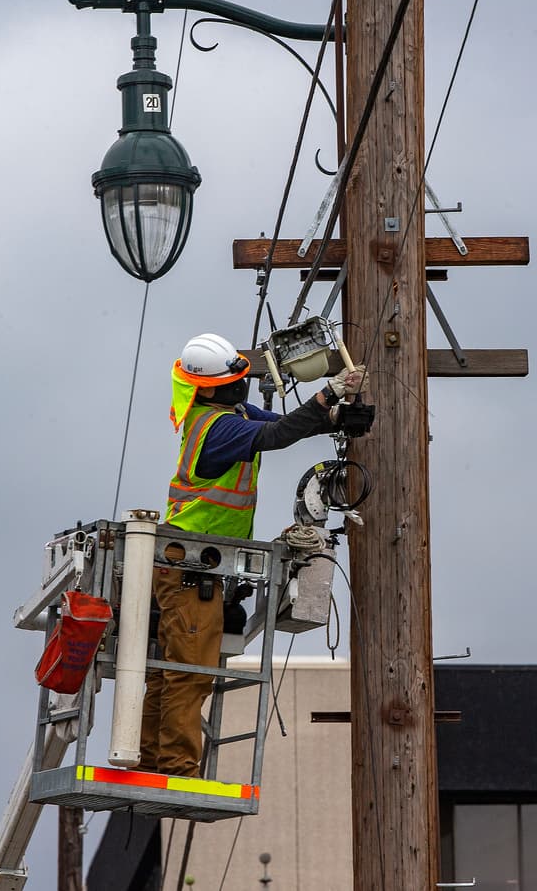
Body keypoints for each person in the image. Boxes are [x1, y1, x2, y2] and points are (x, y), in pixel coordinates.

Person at [138, 332, 368, 777]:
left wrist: (335, 414)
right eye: (236, 378)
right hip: (189, 563)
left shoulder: (230, 412)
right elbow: (279, 435)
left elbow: (287, 423)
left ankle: (154, 761)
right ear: (211, 386)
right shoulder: (218, 428)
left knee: (167, 670)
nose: (242, 384)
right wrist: (329, 392)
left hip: (189, 560)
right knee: (188, 671)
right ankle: (176, 769)